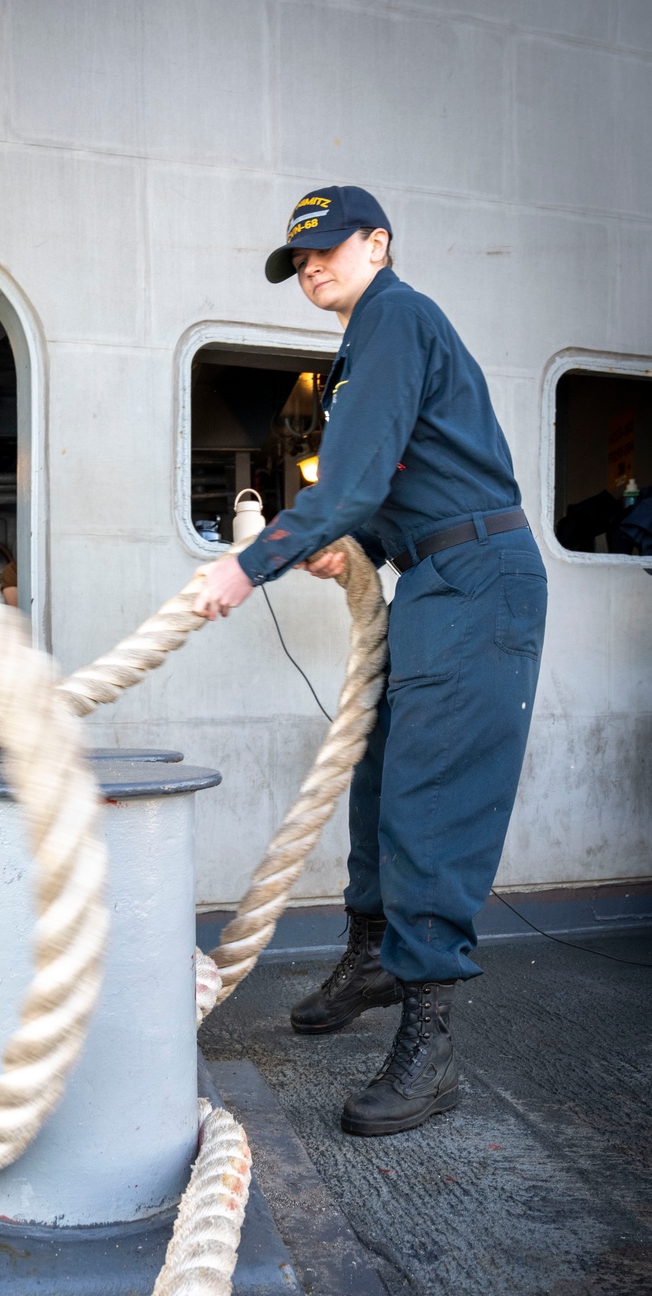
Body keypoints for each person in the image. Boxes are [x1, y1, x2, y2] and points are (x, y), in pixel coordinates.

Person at [194, 185, 547, 1138]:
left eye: (325, 248)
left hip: (479, 580)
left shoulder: (396, 317)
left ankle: (430, 1051)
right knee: (379, 773)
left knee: (429, 800)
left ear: (377, 244)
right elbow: (387, 486)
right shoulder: (363, 346)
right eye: (296, 259)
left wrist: (247, 568)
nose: (310, 266)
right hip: (434, 579)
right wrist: (344, 542)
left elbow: (350, 482)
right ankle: (372, 954)